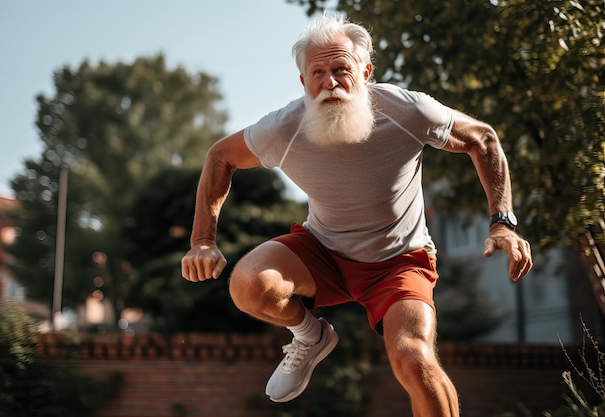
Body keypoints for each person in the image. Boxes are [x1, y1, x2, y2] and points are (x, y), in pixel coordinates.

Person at [181, 14, 533, 417]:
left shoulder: (407, 110)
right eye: (317, 73)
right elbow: (220, 156)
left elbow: (482, 138)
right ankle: (309, 335)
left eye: (341, 69)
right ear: (303, 83)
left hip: (399, 261)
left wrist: (503, 222)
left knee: (414, 359)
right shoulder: (285, 129)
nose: (329, 82)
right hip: (324, 252)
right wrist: (202, 241)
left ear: (364, 72)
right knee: (248, 284)